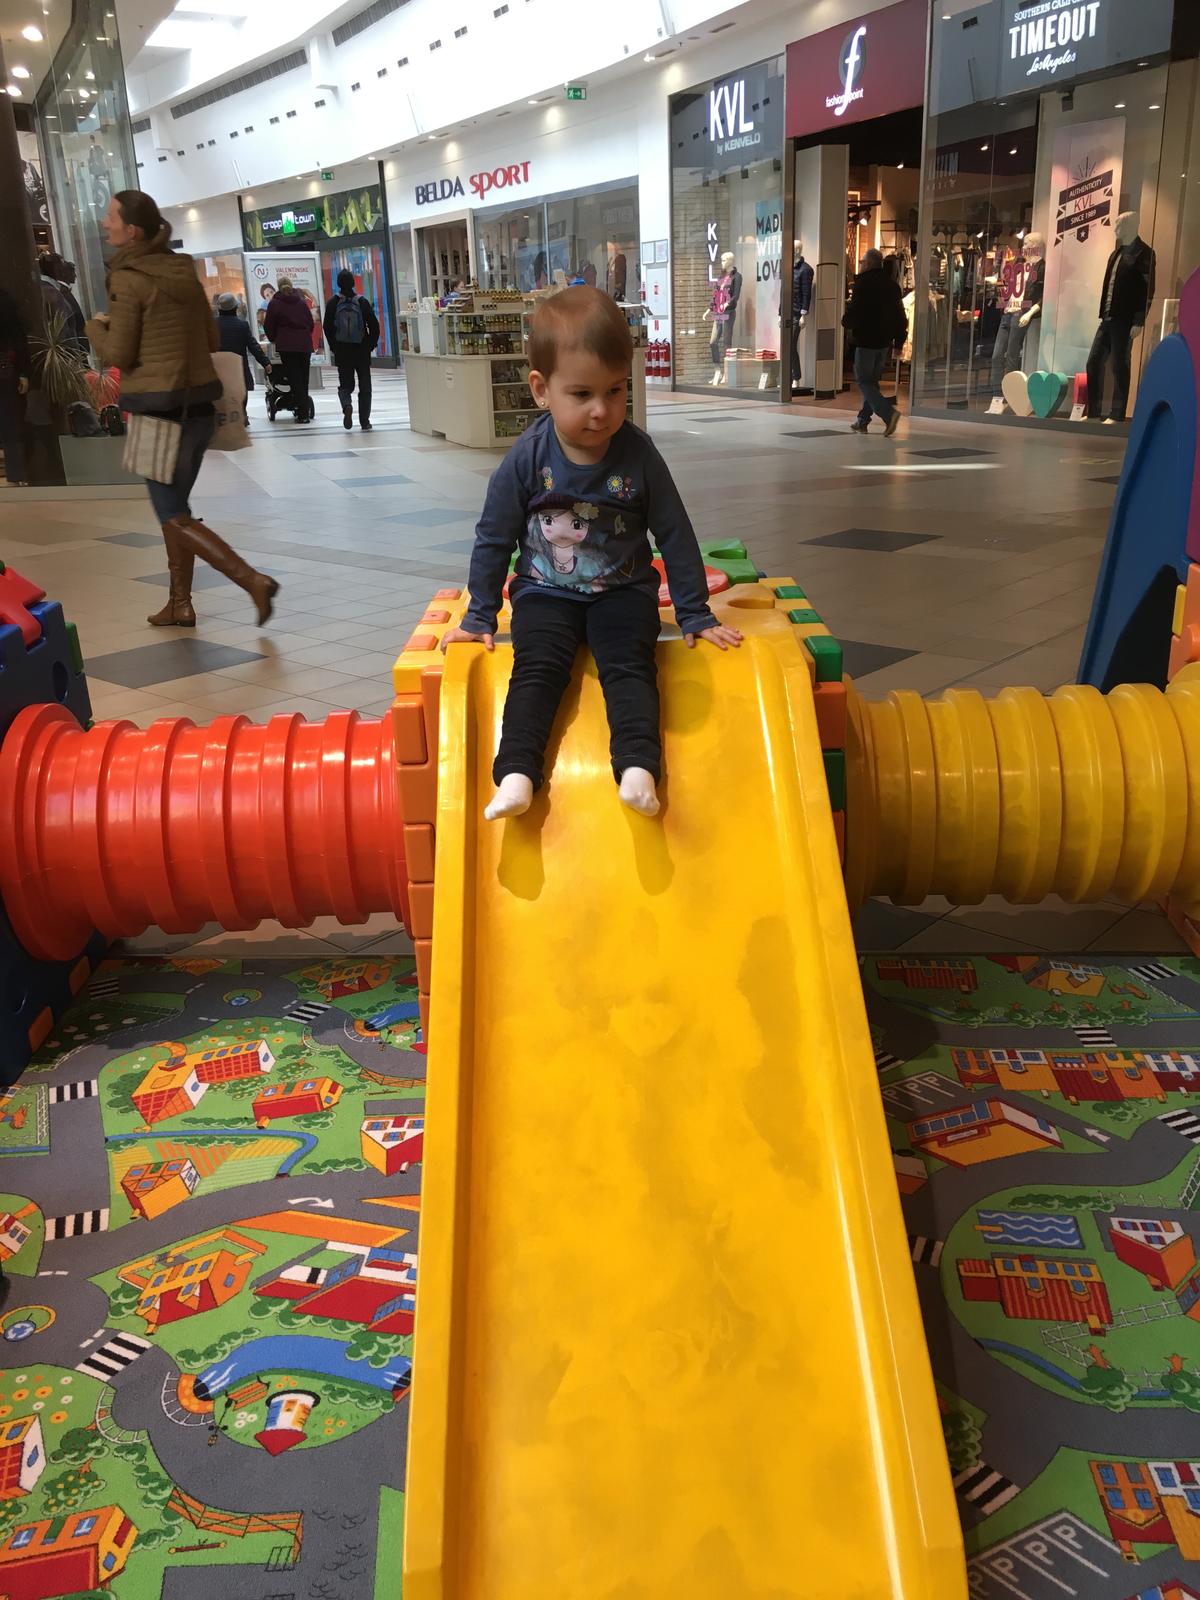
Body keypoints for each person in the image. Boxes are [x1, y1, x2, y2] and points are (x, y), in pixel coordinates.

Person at [440, 286, 742, 822]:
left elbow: (674, 532)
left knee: (630, 666)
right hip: (544, 592)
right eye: (581, 394)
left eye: (615, 391)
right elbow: (494, 535)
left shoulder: (638, 453)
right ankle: (516, 775)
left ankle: (638, 767)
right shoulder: (528, 457)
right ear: (541, 389)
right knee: (537, 669)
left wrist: (695, 612)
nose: (602, 410)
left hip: (623, 591)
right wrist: (479, 615)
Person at [86, 189, 278, 629]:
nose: (104, 223)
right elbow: (210, 340)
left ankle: (253, 582)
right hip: (199, 409)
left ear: (132, 230)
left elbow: (119, 352)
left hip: (158, 413)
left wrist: (96, 326)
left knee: (171, 514)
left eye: (111, 216)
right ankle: (180, 604)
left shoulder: (128, 278)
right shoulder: (182, 271)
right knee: (178, 510)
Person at [842, 247, 906, 437]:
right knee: (872, 382)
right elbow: (900, 316)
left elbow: (856, 311)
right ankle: (862, 420)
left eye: (862, 262)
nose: (860, 264)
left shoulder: (863, 284)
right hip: (884, 343)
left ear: (868, 264)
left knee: (864, 381)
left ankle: (889, 414)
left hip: (867, 341)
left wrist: (846, 321)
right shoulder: (892, 286)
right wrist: (899, 342)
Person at [323, 269, 380, 431]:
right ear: (353, 283)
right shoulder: (362, 302)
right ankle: (365, 421)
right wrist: (369, 345)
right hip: (361, 350)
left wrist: (334, 346)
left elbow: (327, 327)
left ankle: (347, 405)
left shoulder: (333, 303)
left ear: (338, 284)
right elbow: (374, 326)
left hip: (342, 351)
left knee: (345, 385)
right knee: (365, 386)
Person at [264, 277, 315, 422]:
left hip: (287, 346)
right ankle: (303, 410)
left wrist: (274, 338)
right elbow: (310, 323)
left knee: (294, 378)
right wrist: (305, 335)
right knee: (304, 378)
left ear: (278, 287)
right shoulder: (301, 302)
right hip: (304, 345)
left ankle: (303, 414)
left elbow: (269, 325)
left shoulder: (275, 303)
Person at [215, 290, 270, 405]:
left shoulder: (212, 325)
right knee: (240, 400)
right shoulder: (242, 325)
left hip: (219, 369)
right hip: (238, 370)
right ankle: (241, 413)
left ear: (219, 309)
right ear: (235, 308)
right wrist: (265, 363)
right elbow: (253, 346)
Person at [0, 290, 30, 487]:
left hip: (6, 371)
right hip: (7, 370)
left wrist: (23, 372)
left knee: (10, 423)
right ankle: (16, 474)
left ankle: (17, 474)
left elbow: (18, 337)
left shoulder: (4, 300)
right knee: (9, 423)